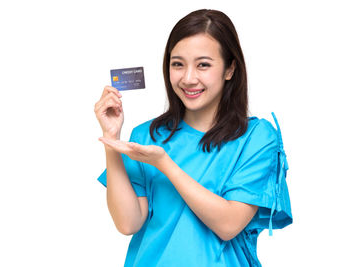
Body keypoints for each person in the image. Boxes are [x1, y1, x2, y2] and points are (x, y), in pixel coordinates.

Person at [94, 9, 292, 267]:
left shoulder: (256, 138)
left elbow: (229, 224)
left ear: (230, 69)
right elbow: (128, 222)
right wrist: (111, 139)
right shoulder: (145, 135)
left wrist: (165, 163)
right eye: (178, 64)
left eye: (203, 65)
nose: (188, 78)